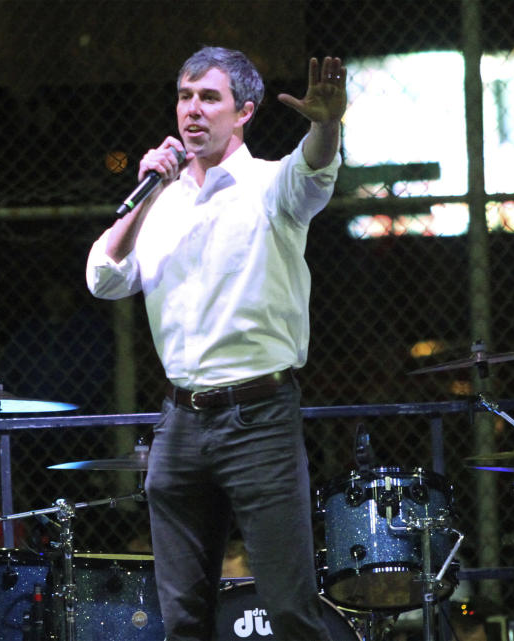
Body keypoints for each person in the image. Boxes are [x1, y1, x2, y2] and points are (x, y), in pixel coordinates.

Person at [85, 45, 346, 641]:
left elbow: (315, 169)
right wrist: (149, 190)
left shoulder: (271, 186)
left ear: (244, 111)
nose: (192, 110)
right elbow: (103, 278)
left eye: (209, 97)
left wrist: (326, 124)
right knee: (182, 619)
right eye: (184, 96)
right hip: (180, 422)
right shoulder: (163, 202)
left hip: (259, 418)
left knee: (290, 610)